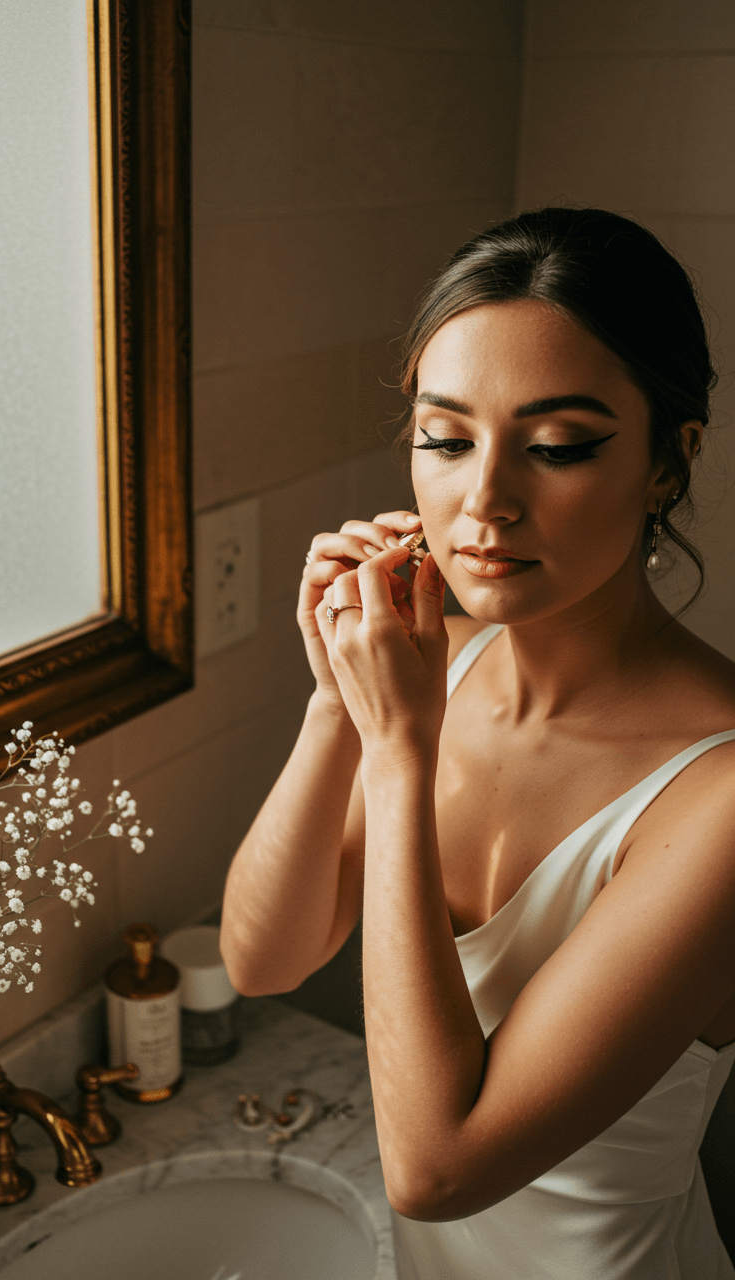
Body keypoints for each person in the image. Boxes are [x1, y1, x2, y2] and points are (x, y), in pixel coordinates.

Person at [219, 207, 735, 1279]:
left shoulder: (718, 791)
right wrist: (335, 700)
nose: (483, 502)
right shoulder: (424, 665)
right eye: (445, 440)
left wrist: (399, 754)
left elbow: (435, 1166)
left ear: (665, 461)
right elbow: (260, 958)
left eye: (556, 447)